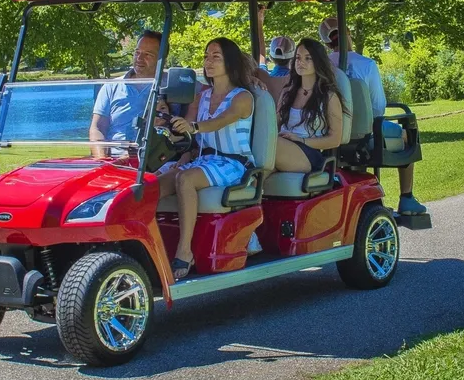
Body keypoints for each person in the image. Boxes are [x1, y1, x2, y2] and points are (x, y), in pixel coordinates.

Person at [157, 38, 257, 279]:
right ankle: (151, 250)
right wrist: (168, 125)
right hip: (203, 159)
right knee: (154, 185)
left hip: (234, 163)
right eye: (206, 56)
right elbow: (190, 134)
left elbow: (220, 122)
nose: (208, 62)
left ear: (229, 63)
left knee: (185, 180)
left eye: (216, 57)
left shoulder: (242, 98)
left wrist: (193, 127)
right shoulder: (201, 96)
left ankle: (184, 251)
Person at [318, 15, 426, 217]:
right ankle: (407, 198)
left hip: (327, 135)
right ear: (347, 33)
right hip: (363, 133)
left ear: (325, 42)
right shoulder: (366, 65)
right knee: (406, 134)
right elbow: (378, 107)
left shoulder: (319, 67)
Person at [273, 38, 345, 173]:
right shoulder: (287, 93)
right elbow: (275, 125)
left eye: (308, 58)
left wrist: (301, 140)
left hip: (310, 153)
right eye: (298, 58)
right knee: (259, 174)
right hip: (283, 145)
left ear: (318, 62)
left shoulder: (329, 97)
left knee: (270, 145)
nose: (301, 62)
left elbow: (335, 139)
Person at [89, 30, 161, 156]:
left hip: (152, 160)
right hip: (115, 160)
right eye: (137, 53)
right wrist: (103, 161)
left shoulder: (170, 84)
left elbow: (205, 90)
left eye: (147, 54)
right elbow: (98, 127)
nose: (139, 58)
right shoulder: (111, 86)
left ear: (161, 59)